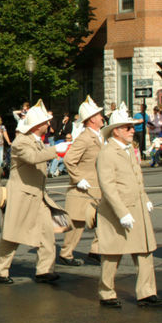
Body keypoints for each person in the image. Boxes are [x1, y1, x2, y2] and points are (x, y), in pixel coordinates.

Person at [95, 103, 162, 308]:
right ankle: (106, 292)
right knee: (112, 253)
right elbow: (108, 186)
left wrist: (145, 198)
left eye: (132, 127)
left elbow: (137, 178)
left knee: (144, 250)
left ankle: (147, 292)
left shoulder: (128, 149)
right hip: (118, 211)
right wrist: (122, 212)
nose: (132, 130)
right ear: (116, 130)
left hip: (137, 207)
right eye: (128, 127)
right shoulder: (107, 153)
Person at [0, 100, 68, 285]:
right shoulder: (21, 142)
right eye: (45, 122)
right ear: (37, 126)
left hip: (38, 195)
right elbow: (33, 158)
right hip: (22, 195)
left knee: (47, 233)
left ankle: (44, 270)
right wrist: (55, 150)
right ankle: (0, 270)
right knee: (13, 235)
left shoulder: (36, 141)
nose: (48, 125)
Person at [59, 96, 104, 267]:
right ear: (92, 119)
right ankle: (66, 253)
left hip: (97, 187)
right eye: (99, 114)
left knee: (103, 219)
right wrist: (78, 179)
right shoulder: (85, 138)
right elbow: (69, 159)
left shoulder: (99, 135)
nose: (102, 117)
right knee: (77, 223)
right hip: (84, 189)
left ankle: (96, 251)